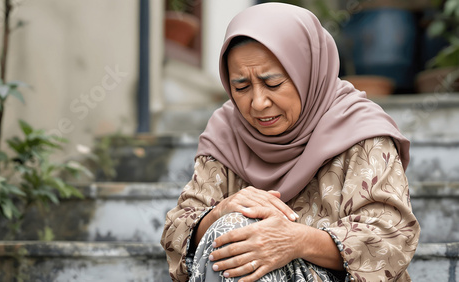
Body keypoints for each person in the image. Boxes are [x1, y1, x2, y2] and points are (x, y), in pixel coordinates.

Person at [161, 3, 420, 282]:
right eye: (241, 87)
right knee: (232, 231)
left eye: (273, 84)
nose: (258, 103)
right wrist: (219, 212)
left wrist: (296, 241)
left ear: (307, 71)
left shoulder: (361, 130)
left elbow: (390, 237)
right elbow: (177, 230)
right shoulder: (227, 130)